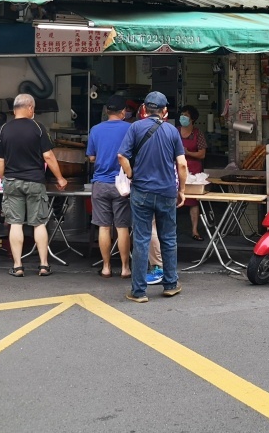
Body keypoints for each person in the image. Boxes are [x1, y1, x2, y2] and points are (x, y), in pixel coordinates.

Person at [118, 91, 187, 303]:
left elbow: (122, 156)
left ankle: (138, 291)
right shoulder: (172, 131)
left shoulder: (135, 128)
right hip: (166, 191)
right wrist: (181, 189)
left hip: (141, 191)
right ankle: (170, 284)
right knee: (168, 237)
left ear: (144, 110)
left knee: (141, 239)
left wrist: (131, 175)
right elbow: (182, 164)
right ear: (165, 111)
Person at [0, 93, 68, 277]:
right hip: (35, 181)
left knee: (16, 223)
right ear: (31, 108)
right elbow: (48, 156)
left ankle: (18, 266)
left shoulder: (3, 129)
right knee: (39, 223)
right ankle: (44, 265)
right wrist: (60, 178)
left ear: (13, 110)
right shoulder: (38, 127)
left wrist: (4, 178)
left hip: (12, 181)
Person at [86, 95, 133, 279]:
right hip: (122, 184)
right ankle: (124, 268)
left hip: (101, 183)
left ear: (107, 111)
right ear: (123, 112)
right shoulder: (130, 129)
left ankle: (106, 267)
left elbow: (91, 157)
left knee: (103, 227)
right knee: (122, 227)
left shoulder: (95, 130)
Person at [177, 105, 207, 241]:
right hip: (176, 171)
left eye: (186, 115)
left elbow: (202, 154)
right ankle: (170, 231)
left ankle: (195, 230)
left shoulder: (197, 133)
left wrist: (188, 153)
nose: (183, 117)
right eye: (182, 114)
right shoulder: (175, 132)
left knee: (193, 202)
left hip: (194, 173)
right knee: (173, 200)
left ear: (193, 119)